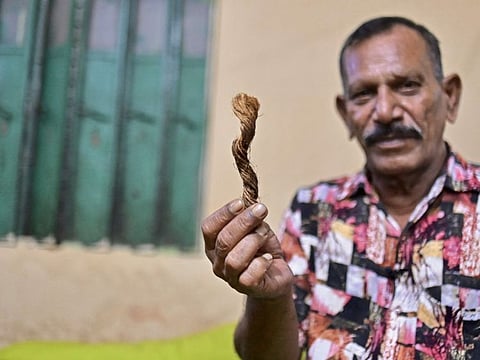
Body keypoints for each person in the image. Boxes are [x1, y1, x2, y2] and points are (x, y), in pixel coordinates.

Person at [202, 16, 480, 359]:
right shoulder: (313, 212)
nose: (385, 111)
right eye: (363, 94)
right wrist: (270, 298)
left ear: (449, 97)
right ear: (345, 113)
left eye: (407, 85)